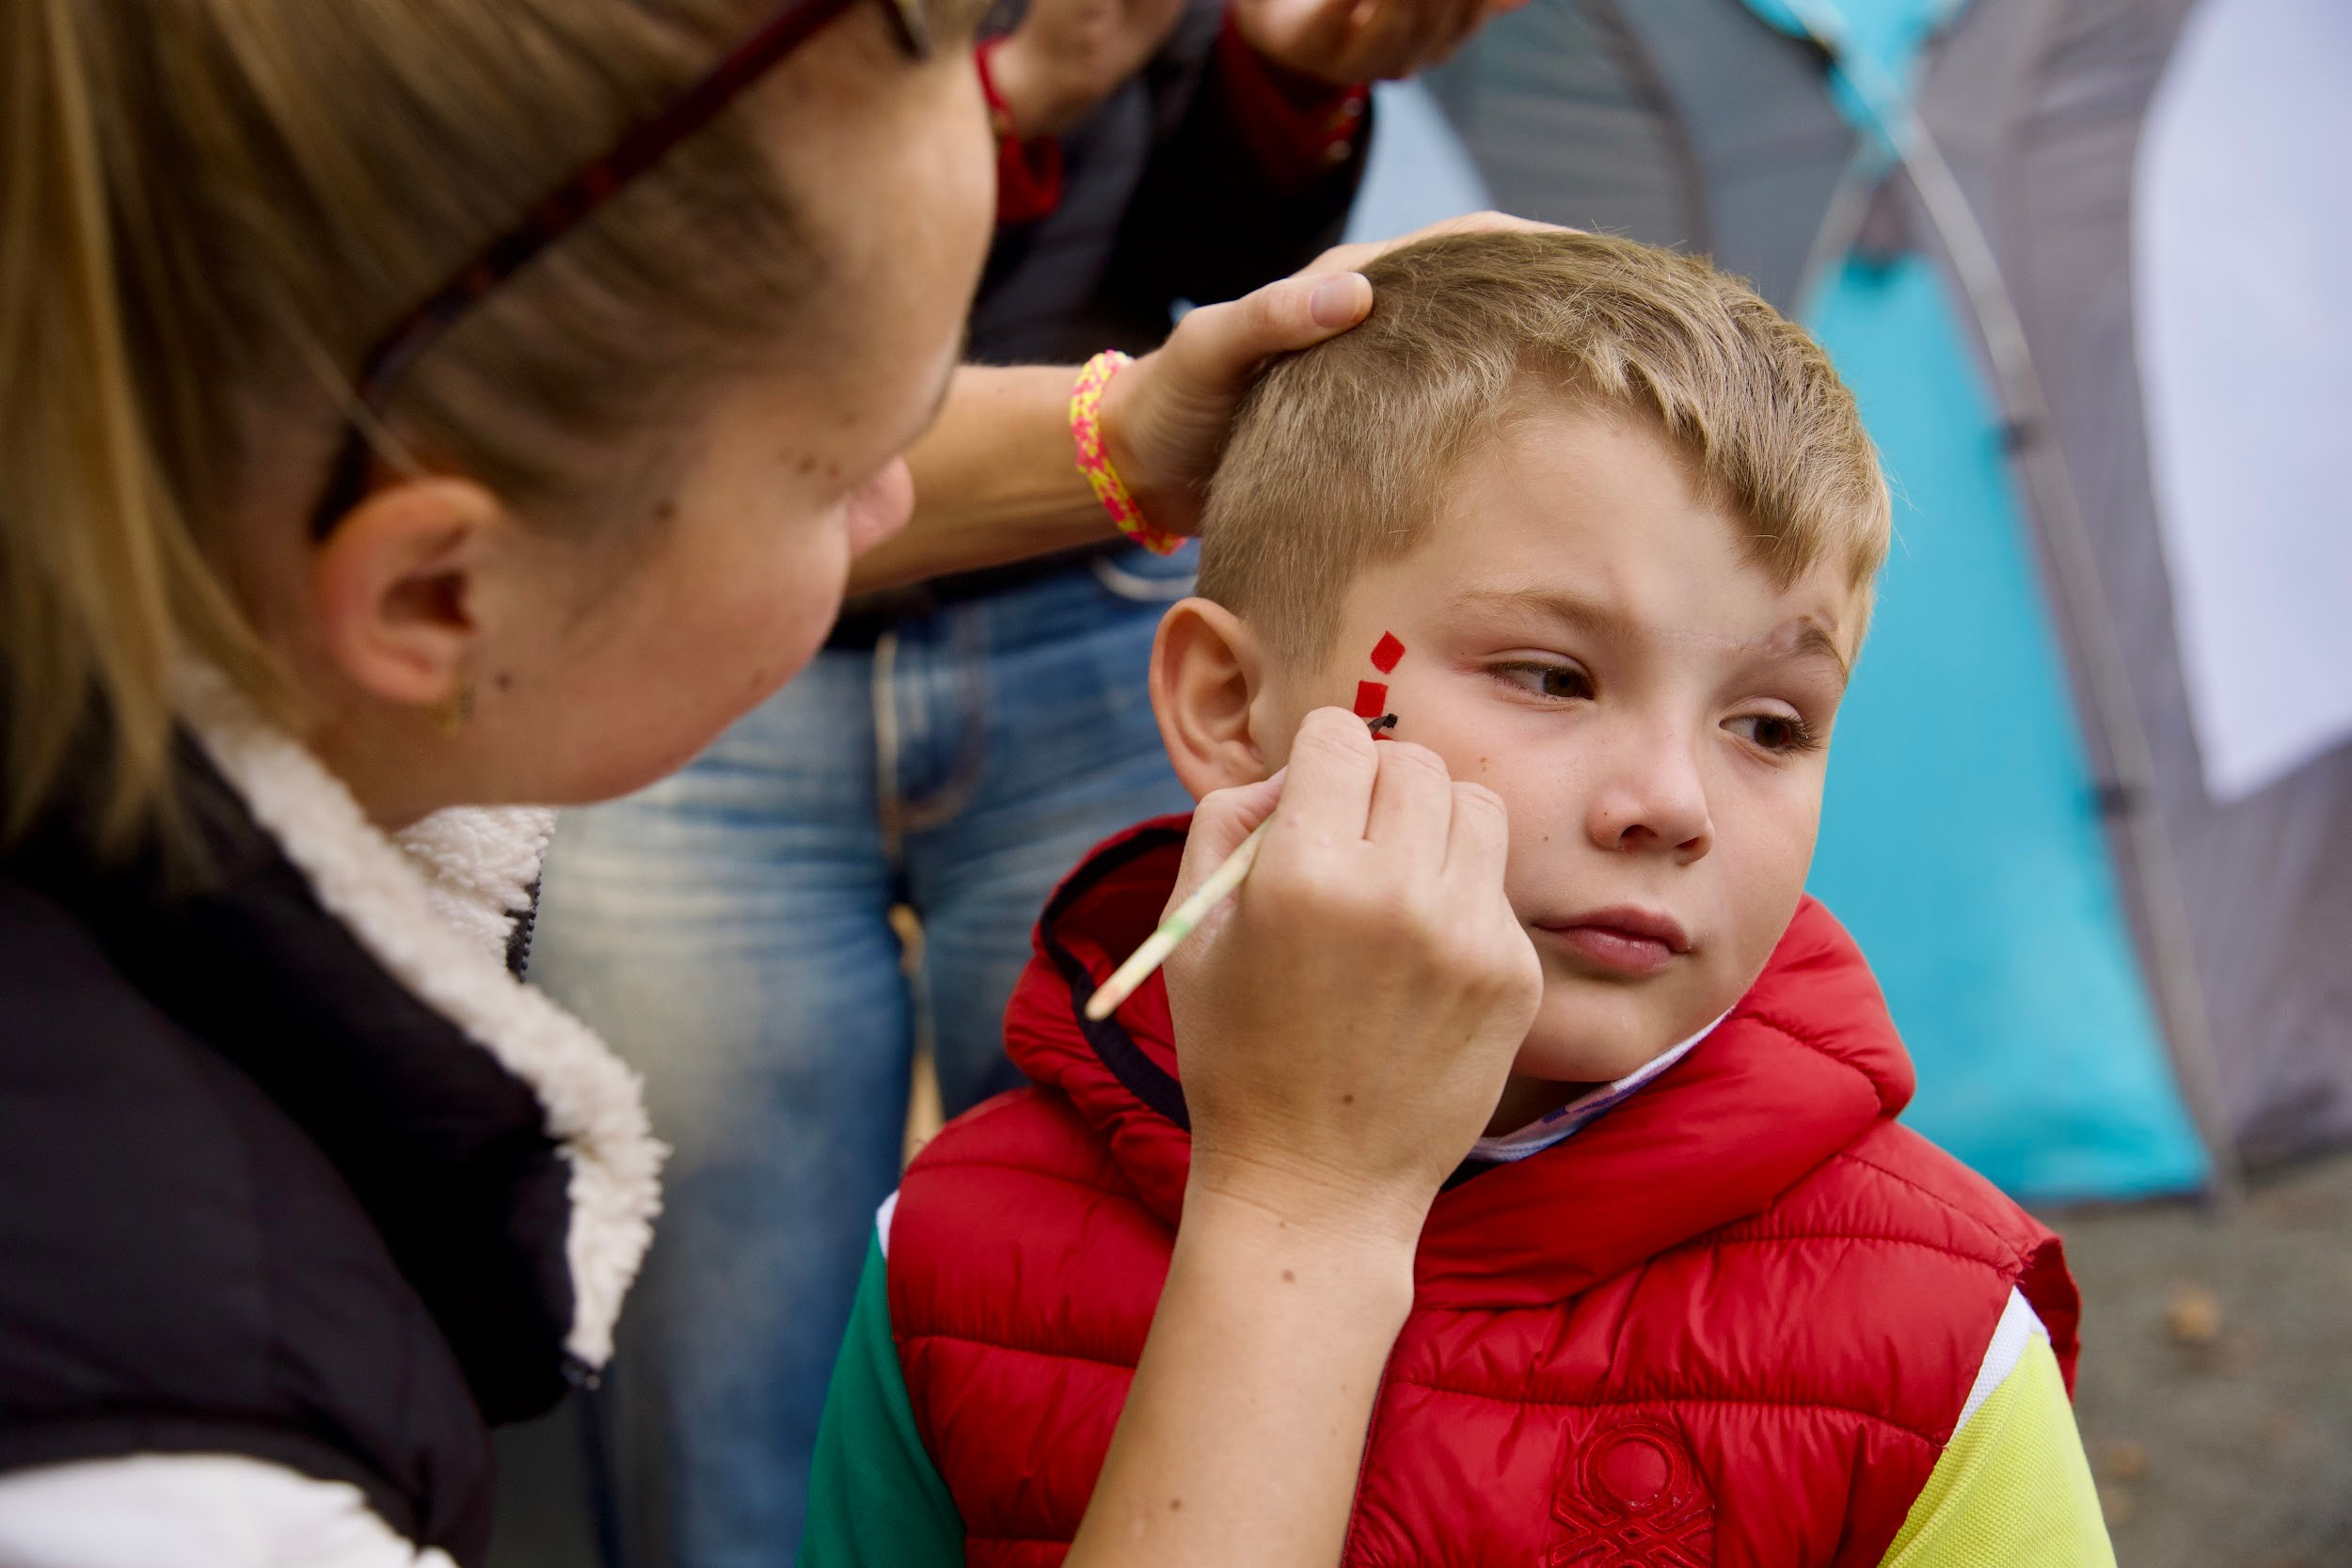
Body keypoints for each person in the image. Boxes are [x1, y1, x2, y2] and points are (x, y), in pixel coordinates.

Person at [0, 0, 1553, 1561]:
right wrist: (1305, 1218)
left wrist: (1133, 428)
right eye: (850, 462)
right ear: (436, 597)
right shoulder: (181, 1468)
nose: (906, 498)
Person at [802, 230, 2119, 1567]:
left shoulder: (1941, 1338)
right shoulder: (952, 1252)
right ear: (1228, 704)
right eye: (1551, 677)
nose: (1672, 802)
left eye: (1772, 725)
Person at [523, 0, 1504, 1555]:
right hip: (695, 627)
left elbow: (1207, 230)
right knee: (715, 1378)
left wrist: (1289, 82)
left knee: (1125, 1289)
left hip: (1079, 607)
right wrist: (1011, 97)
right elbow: (615, 329)